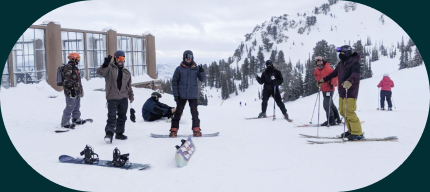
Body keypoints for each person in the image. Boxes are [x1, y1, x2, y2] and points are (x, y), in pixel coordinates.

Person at [318, 45, 363, 141]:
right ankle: (351, 131)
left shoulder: (354, 63)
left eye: (341, 53)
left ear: (347, 53)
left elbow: (355, 75)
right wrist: (323, 80)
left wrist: (349, 81)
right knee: (343, 112)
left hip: (350, 91)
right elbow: (334, 74)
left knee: (349, 112)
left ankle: (357, 133)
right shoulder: (341, 64)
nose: (340, 55)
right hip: (342, 91)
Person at [97, 51, 134, 143]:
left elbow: (129, 85)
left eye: (122, 58)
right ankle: (109, 134)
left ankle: (119, 133)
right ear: (115, 59)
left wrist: (131, 95)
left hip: (123, 97)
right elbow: (100, 72)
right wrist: (105, 65)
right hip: (112, 97)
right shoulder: (109, 69)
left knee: (122, 116)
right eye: (119, 58)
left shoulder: (126, 71)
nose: (121, 60)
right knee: (112, 117)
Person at [170, 50, 207, 137]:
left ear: (192, 57)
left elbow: (203, 80)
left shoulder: (196, 68)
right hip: (181, 95)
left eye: (190, 57)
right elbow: (174, 83)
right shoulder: (179, 69)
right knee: (178, 112)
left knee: (194, 113)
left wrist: (202, 72)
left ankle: (196, 129)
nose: (188, 59)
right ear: (184, 58)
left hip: (193, 94)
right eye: (187, 57)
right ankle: (173, 130)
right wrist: (176, 95)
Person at [314, 56, 341, 126]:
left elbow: (336, 76)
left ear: (323, 61)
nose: (319, 63)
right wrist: (318, 83)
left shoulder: (328, 68)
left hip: (330, 89)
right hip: (323, 89)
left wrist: (331, 82)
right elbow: (316, 76)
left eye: (320, 61)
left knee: (326, 105)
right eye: (318, 62)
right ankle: (337, 118)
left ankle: (331, 120)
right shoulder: (317, 70)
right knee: (330, 104)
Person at [61, 53, 85, 128]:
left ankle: (76, 118)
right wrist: (71, 89)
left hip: (76, 91)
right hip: (70, 92)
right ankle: (65, 122)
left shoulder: (74, 68)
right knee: (70, 106)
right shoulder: (68, 68)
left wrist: (80, 90)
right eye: (77, 59)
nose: (78, 61)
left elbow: (77, 80)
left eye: (79, 59)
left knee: (77, 106)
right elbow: (66, 81)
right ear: (73, 59)